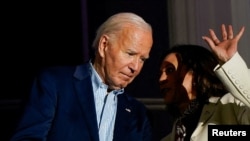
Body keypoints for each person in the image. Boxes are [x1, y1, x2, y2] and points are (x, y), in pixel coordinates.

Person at [10, 12, 153, 141]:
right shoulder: (54, 84)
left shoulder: (138, 114)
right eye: (130, 54)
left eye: (142, 59)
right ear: (104, 46)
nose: (135, 67)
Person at [159, 24, 250, 141]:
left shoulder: (230, 107)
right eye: (160, 73)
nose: (161, 79)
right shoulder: (171, 137)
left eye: (170, 70)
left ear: (196, 72)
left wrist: (230, 62)